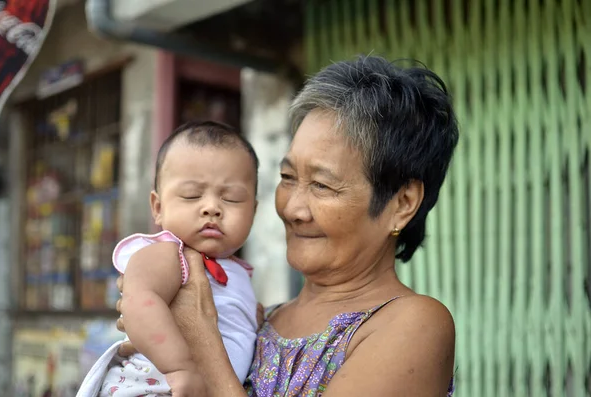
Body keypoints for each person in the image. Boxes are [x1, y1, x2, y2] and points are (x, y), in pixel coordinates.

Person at [117, 55, 459, 397]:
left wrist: (203, 343)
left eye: (322, 185)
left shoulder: (413, 326)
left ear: (402, 204)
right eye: (288, 177)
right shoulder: (259, 322)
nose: (292, 208)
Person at [77, 121, 260, 397]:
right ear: (158, 208)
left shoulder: (237, 271)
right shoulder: (170, 253)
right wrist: (179, 369)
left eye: (232, 198)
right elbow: (138, 300)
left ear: (253, 211)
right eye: (192, 195)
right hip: (155, 386)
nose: (212, 207)